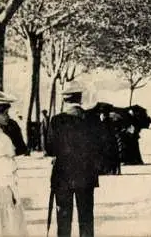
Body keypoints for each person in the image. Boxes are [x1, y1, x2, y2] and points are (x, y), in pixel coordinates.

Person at [46, 83, 101, 237]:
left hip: (63, 176)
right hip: (86, 175)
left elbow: (50, 149)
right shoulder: (93, 119)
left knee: (63, 218)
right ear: (80, 99)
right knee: (86, 217)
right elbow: (101, 146)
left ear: (65, 101)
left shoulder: (56, 120)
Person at [0, 89, 28, 236]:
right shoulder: (0, 138)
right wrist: (11, 191)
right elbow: (6, 169)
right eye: (4, 113)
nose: (7, 117)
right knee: (5, 223)